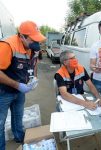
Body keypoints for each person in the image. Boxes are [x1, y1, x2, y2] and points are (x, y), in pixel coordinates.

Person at [0, 21, 46, 150]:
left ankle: (19, 137)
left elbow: (34, 63)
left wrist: (34, 78)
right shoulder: (7, 46)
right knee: (0, 123)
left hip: (19, 91)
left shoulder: (33, 47)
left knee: (18, 117)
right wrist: (17, 85)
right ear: (22, 36)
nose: (36, 43)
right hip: (3, 92)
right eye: (33, 39)